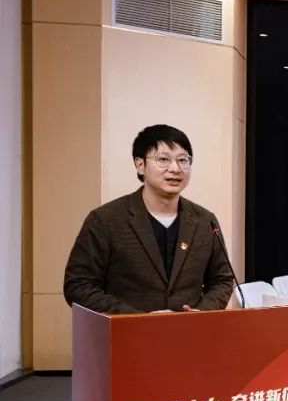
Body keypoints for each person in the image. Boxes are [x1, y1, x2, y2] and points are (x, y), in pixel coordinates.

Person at [63, 124, 235, 314]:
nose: (175, 168)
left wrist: (201, 313)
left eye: (183, 160)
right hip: (126, 331)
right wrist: (137, 318)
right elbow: (78, 286)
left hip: (189, 331)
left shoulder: (205, 221)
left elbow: (222, 280)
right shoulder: (105, 220)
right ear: (140, 164)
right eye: (163, 159)